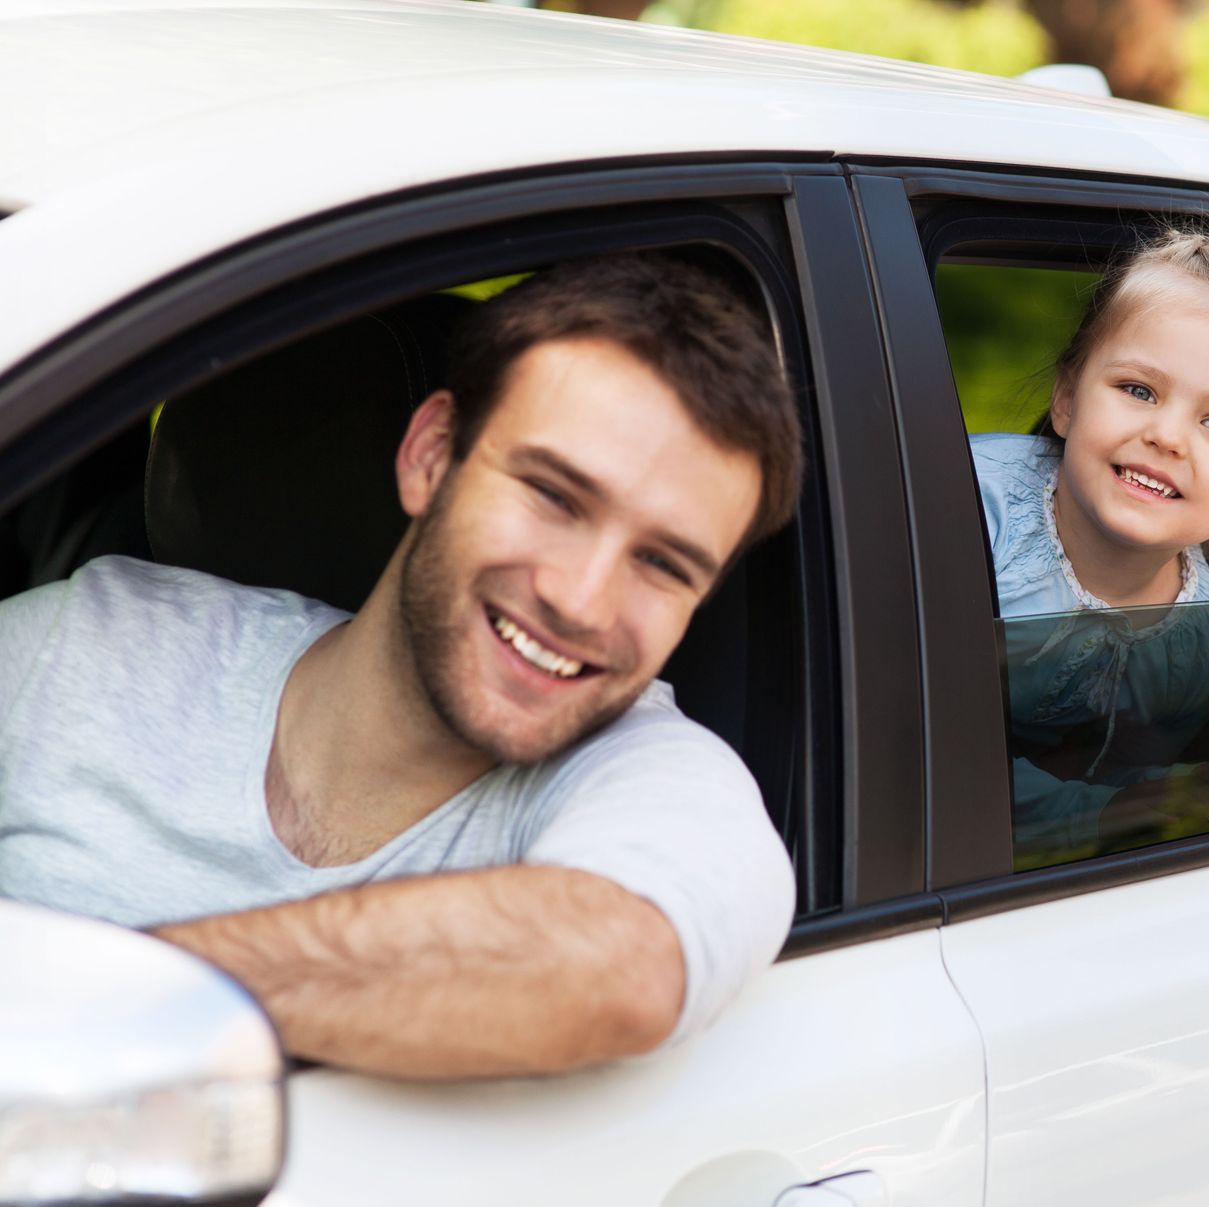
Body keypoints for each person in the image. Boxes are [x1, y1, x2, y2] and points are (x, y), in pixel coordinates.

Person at [0, 252, 805, 1079]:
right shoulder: (84, 644)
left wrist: (96, 1008)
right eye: (554, 496)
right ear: (430, 455)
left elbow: (626, 963)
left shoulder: (665, 779)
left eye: (665, 565)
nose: (584, 603)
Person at [969, 226, 1209, 860]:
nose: (1167, 435)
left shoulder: (1203, 649)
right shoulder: (968, 509)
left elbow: (1121, 796)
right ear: (1066, 398)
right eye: (1139, 390)